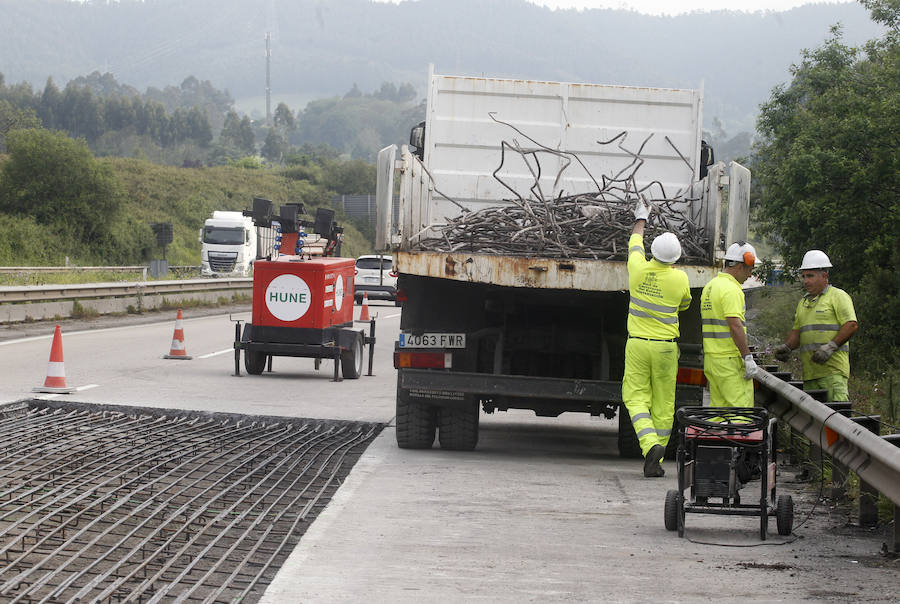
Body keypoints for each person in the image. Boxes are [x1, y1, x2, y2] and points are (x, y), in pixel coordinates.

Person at [622, 198, 692, 478]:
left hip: (638, 344)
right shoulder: (680, 279)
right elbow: (685, 305)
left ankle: (649, 443)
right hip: (665, 349)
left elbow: (635, 243)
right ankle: (657, 458)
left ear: (652, 252)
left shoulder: (637, 269)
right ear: (675, 258)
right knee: (664, 403)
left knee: (635, 396)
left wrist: (642, 218)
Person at [773, 250, 858, 401]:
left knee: (835, 418)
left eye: (810, 276)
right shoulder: (803, 303)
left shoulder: (838, 296)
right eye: (804, 276)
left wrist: (830, 347)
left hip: (832, 373)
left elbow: (851, 325)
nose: (806, 281)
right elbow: (797, 332)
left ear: (824, 276)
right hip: (810, 375)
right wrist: (787, 347)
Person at [700, 241, 759, 407]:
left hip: (713, 359)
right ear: (740, 266)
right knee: (739, 414)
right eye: (750, 269)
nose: (751, 274)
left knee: (720, 413)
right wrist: (747, 357)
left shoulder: (710, 287)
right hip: (730, 361)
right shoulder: (731, 290)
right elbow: (735, 325)